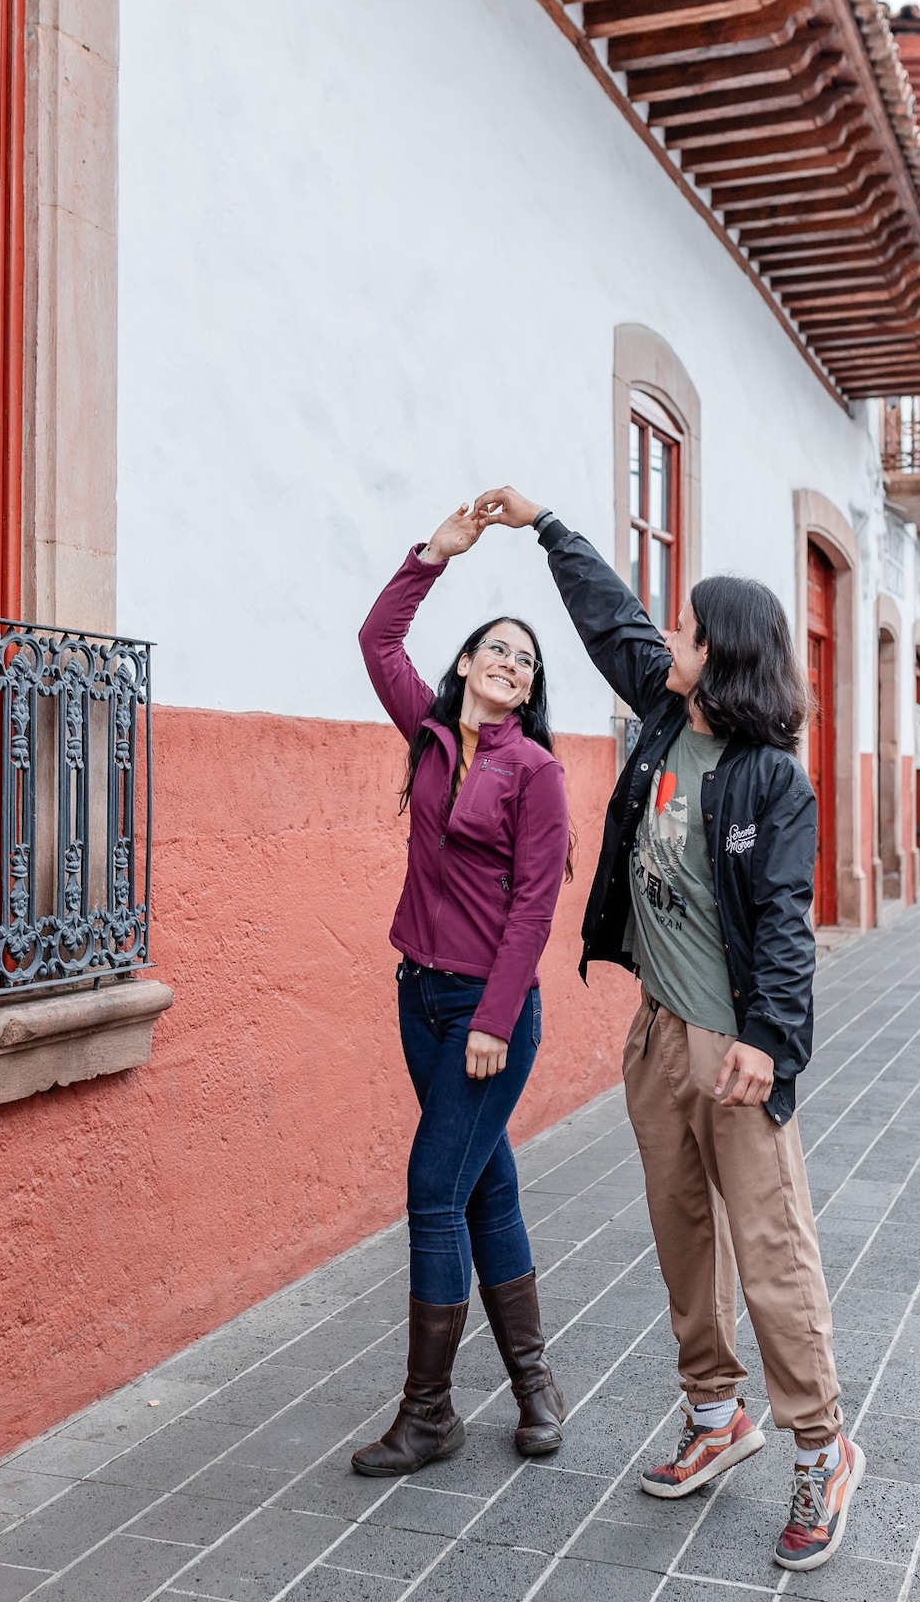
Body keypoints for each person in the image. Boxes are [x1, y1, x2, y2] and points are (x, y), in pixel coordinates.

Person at [472, 486, 863, 1576]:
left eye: (686, 629)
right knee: (683, 1235)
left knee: (772, 1252)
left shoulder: (770, 780)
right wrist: (548, 528)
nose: (669, 637)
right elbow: (611, 619)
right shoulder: (662, 715)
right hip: (656, 1037)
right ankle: (715, 1414)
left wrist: (768, 1043)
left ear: (721, 655)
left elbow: (785, 925)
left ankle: (821, 1448)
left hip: (735, 1051)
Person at [351, 505, 571, 1478]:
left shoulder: (537, 772)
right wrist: (433, 555)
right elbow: (378, 640)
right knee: (486, 1184)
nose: (512, 662)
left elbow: (534, 908)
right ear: (469, 662)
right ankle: (535, 1388)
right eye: (499, 648)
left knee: (434, 1190)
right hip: (421, 999)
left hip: (489, 1014)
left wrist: (494, 1018)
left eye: (527, 659)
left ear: (529, 687)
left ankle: (429, 1414)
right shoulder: (432, 735)